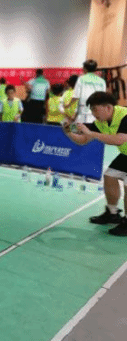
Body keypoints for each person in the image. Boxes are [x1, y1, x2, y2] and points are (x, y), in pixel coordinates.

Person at [63, 92, 127, 236]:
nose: (93, 113)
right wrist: (68, 131)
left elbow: (119, 140)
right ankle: (112, 213)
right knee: (110, 176)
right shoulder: (100, 122)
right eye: (91, 110)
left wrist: (90, 133)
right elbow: (83, 140)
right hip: (126, 154)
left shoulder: (125, 116)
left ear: (108, 107)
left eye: (95, 109)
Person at [67, 60, 107, 124]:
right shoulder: (102, 81)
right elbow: (103, 97)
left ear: (84, 69)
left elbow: (76, 96)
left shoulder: (81, 79)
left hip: (84, 109)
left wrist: (68, 105)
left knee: (83, 128)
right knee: (94, 127)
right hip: (97, 109)